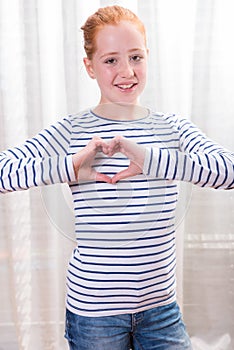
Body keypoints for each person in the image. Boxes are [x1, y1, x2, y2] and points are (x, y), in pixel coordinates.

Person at [0, 5, 233, 350]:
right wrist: (70, 165)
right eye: (110, 60)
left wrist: (151, 159)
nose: (127, 71)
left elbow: (228, 171)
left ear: (148, 57)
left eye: (136, 57)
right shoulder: (72, 130)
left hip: (161, 311)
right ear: (90, 67)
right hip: (94, 316)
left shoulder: (172, 128)